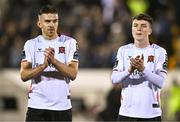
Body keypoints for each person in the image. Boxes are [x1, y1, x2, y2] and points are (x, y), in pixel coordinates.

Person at [20, 5, 79, 121]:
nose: (51, 25)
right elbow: (23, 75)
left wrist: (54, 62)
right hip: (37, 106)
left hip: (62, 107)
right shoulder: (31, 44)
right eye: (47, 21)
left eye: (55, 21)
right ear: (39, 24)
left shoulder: (69, 43)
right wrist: (43, 66)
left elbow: (73, 74)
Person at [111, 13, 168, 121]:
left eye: (143, 26)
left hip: (151, 114)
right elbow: (114, 79)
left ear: (150, 31)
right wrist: (129, 70)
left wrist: (143, 70)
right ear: (132, 29)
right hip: (126, 113)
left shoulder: (159, 52)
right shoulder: (123, 50)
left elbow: (161, 82)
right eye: (135, 25)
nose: (139, 29)